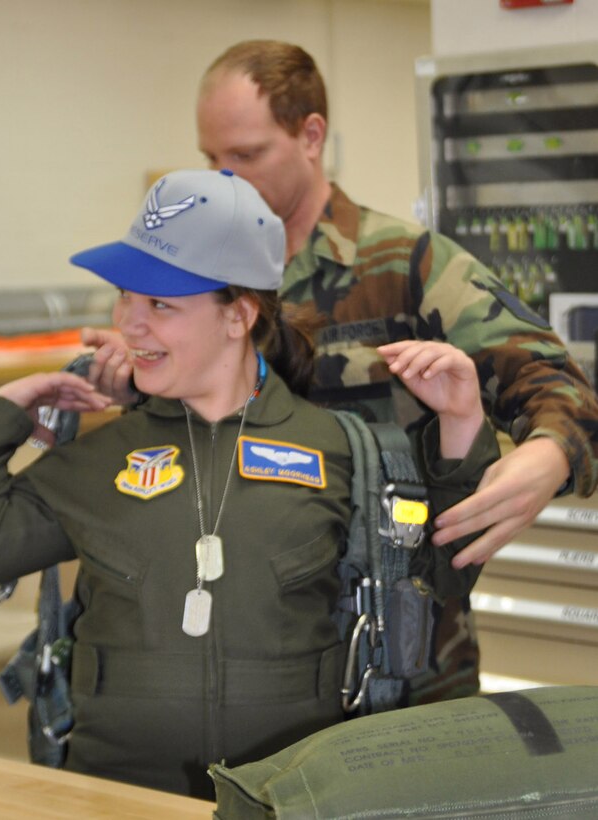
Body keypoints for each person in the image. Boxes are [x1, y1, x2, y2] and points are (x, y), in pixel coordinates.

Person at [0, 169, 498, 799]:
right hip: (114, 798)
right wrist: (7, 412)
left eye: (160, 304)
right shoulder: (101, 457)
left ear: (238, 316)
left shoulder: (344, 450)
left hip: (291, 798)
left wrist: (460, 421)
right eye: (125, 297)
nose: (130, 324)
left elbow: (444, 576)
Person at [82, 40, 598, 706]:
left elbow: (556, 383)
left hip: (399, 650)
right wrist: (128, 385)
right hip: (233, 649)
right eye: (211, 158)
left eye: (246, 154)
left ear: (311, 135)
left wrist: (549, 456)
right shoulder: (190, 277)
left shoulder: (403, 265)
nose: (224, 179)